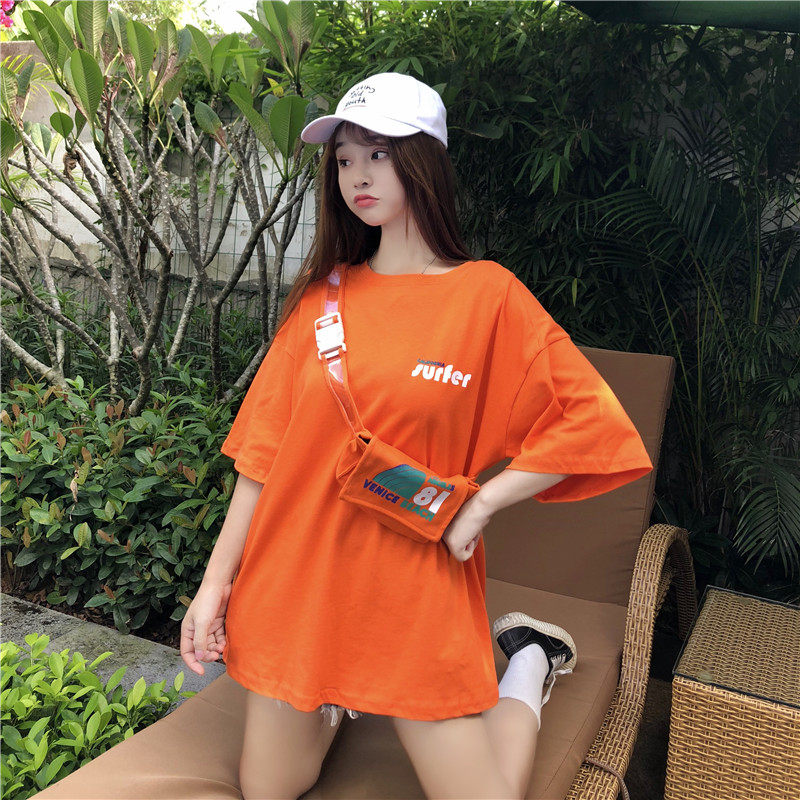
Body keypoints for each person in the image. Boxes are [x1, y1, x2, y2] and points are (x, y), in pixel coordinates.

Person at [180, 72, 653, 800]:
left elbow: (593, 423)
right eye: (344, 159)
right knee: (269, 788)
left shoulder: (487, 296)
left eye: (379, 154)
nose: (357, 176)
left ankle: (529, 662)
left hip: (411, 594)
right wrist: (214, 588)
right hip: (300, 586)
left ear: (424, 161)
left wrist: (482, 504)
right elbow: (261, 458)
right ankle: (340, 688)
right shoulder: (321, 300)